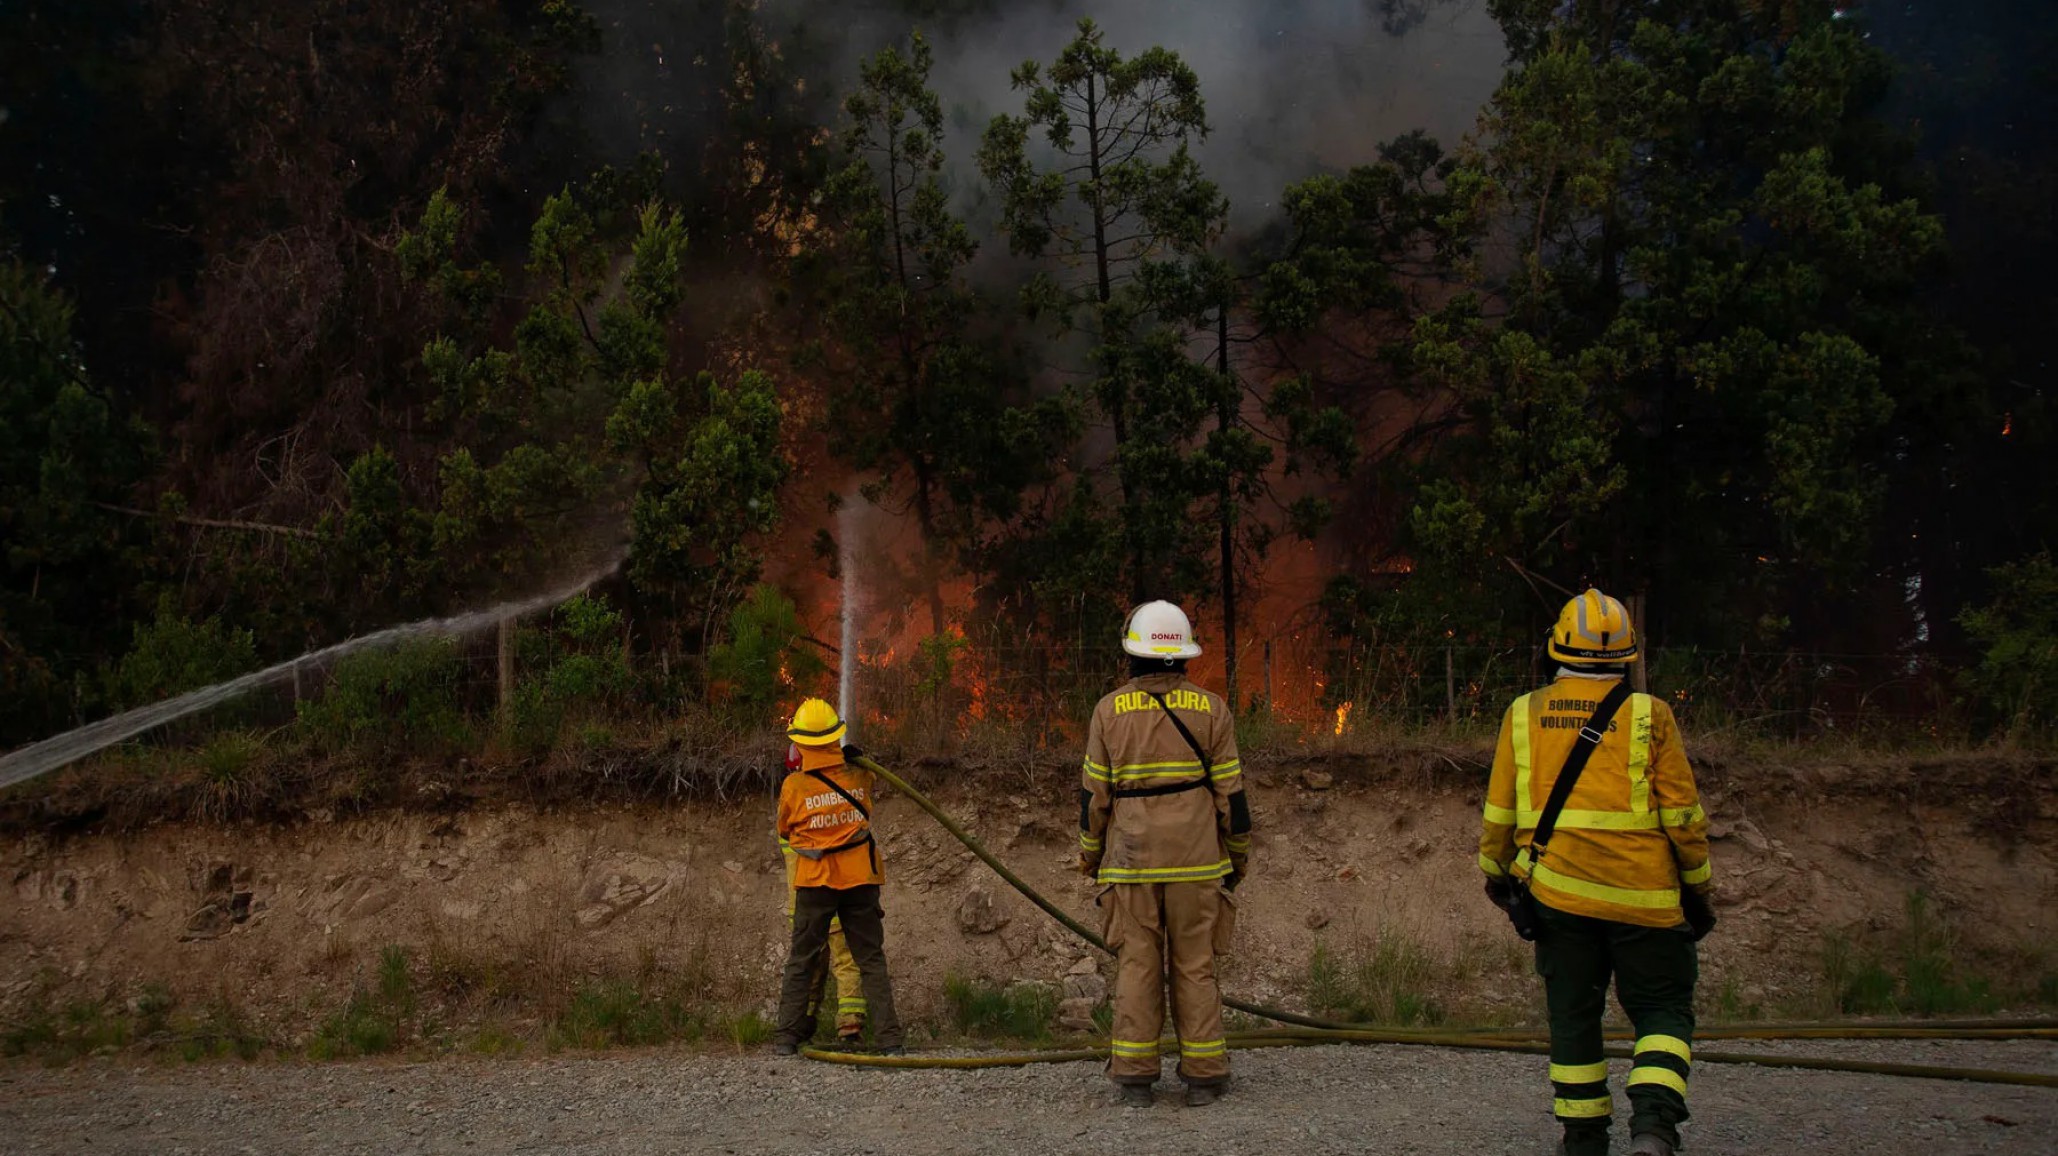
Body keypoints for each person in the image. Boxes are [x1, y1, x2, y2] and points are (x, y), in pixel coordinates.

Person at [1478, 589, 1716, 1156]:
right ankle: (1655, 1129)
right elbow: (1683, 819)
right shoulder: (1651, 715)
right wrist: (1699, 891)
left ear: (1552, 650)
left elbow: (1500, 815)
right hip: (1647, 901)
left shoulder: (1523, 713)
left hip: (1559, 898)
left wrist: (1496, 876)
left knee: (1574, 1015)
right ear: (1629, 654)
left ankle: (1583, 1139)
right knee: (1661, 1010)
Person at [1077, 600, 1251, 1108]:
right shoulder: (1213, 709)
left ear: (1133, 653)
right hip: (1198, 863)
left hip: (1131, 863)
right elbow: (1232, 800)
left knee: (1137, 965)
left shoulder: (1108, 711)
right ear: (1184, 655)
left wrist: (1091, 857)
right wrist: (1236, 857)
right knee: (1195, 965)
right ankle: (1204, 1078)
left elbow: (1094, 800)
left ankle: (1134, 1078)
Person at [771, 698, 904, 1056]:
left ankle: (787, 1038)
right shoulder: (860, 775)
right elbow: (870, 789)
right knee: (870, 959)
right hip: (861, 880)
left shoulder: (794, 787)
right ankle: (890, 1041)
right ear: (837, 738)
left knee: (802, 959)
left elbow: (785, 826)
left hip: (816, 883)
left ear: (799, 744)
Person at [776, 741, 867, 1047]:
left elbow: (787, 829)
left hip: (804, 905)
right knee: (847, 963)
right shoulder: (823, 794)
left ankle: (800, 1027)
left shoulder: (794, 795)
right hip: (836, 897)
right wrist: (854, 766)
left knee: (808, 967)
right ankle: (850, 1028)